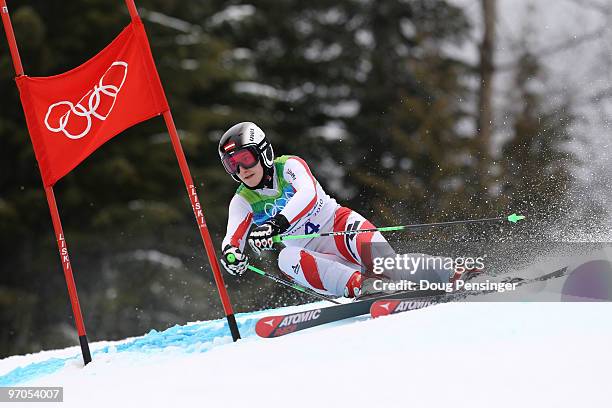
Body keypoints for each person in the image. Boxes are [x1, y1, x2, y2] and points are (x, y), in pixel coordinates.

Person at [218, 122, 453, 298]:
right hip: (312, 254)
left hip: (338, 226)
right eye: (232, 164)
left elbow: (307, 195)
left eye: (245, 158)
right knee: (285, 258)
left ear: (263, 153)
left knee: (390, 268)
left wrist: (276, 223)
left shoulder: (289, 166)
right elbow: (232, 240)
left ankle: (453, 274)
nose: (241, 169)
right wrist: (232, 256)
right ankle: (361, 287)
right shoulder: (243, 200)